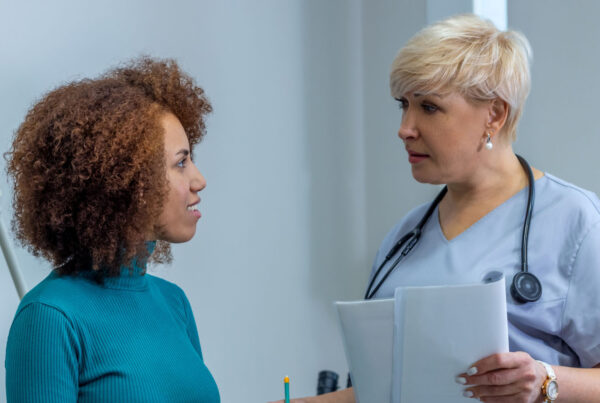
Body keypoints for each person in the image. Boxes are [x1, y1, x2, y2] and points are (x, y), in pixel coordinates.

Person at [274, 14, 600, 403]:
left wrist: (546, 380)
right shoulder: (404, 239)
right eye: (403, 105)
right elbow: (389, 391)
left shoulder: (575, 222)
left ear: (494, 114)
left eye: (428, 107)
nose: (405, 128)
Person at [4, 57, 220, 402]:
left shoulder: (174, 303)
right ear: (125, 182)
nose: (199, 179)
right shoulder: (49, 317)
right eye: (180, 162)